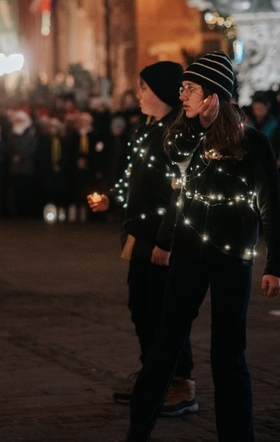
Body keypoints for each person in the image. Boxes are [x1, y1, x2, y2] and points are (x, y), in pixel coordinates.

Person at [126, 51, 280, 441]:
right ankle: (138, 431)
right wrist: (164, 240)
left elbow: (272, 206)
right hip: (189, 256)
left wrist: (276, 263)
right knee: (165, 346)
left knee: (229, 357)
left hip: (232, 261)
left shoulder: (253, 144)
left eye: (190, 88)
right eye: (181, 88)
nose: (182, 95)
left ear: (213, 95)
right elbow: (176, 192)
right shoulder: (182, 135)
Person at [89, 61, 197, 415]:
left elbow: (180, 195)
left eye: (144, 89)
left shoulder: (178, 135)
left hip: (163, 239)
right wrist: (111, 198)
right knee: (142, 306)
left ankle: (181, 384)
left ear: (163, 93)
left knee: (167, 311)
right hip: (138, 233)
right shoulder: (143, 130)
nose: (138, 95)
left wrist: (167, 241)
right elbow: (129, 179)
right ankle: (153, 374)